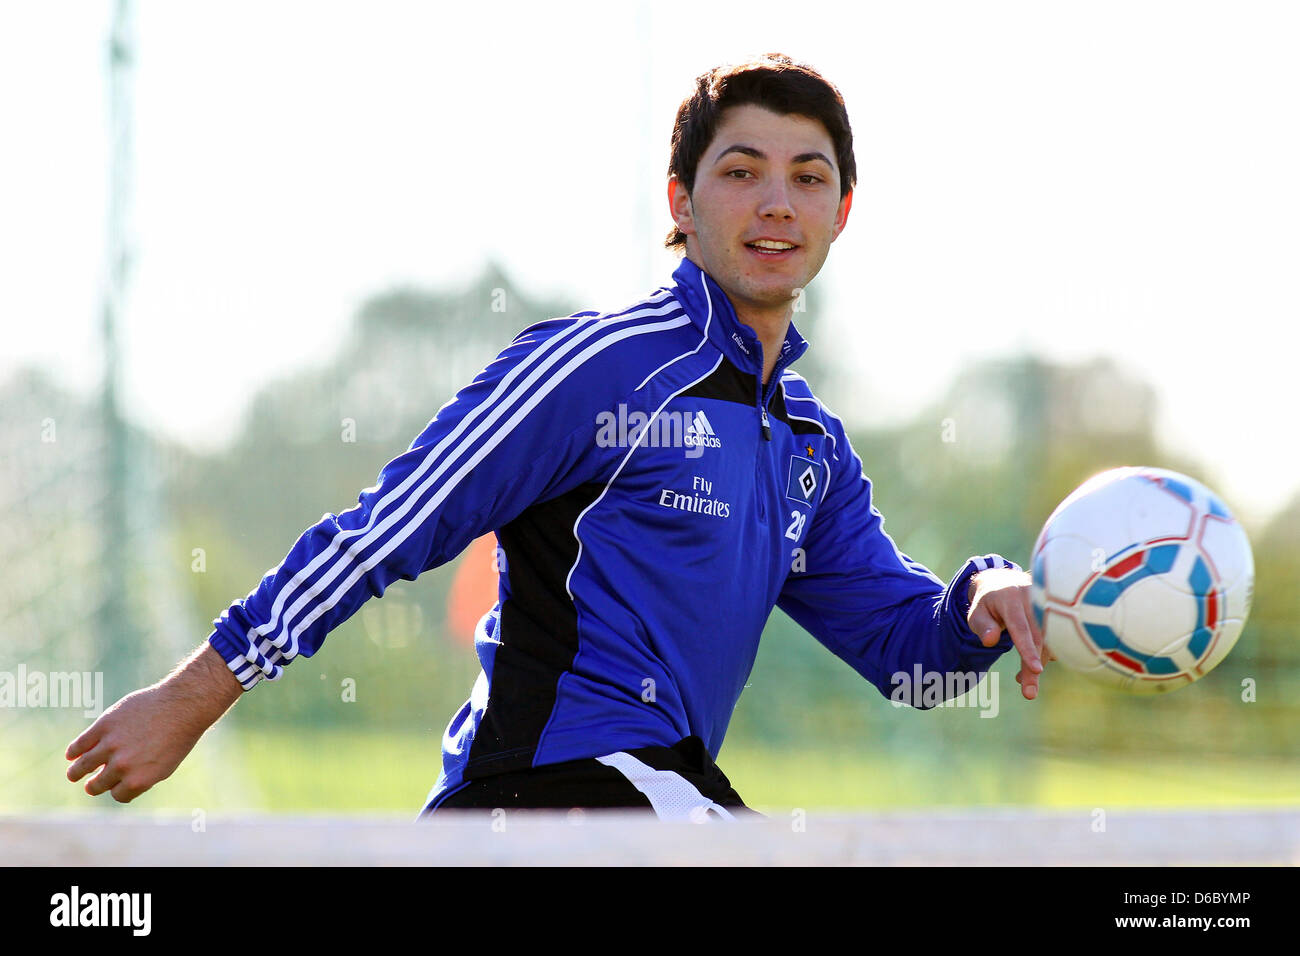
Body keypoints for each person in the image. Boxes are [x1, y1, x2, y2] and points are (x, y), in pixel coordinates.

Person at [65, 53, 1047, 820]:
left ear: (841, 210)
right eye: (740, 170)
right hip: (542, 796)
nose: (776, 201)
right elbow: (390, 524)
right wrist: (197, 689)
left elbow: (903, 650)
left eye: (807, 176)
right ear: (681, 200)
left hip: (661, 796)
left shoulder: (809, 447)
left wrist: (989, 596)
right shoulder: (600, 369)